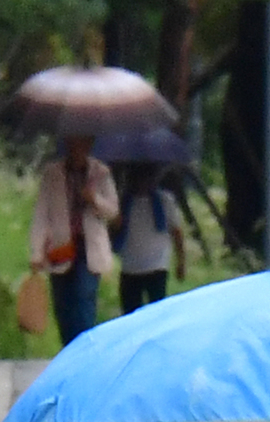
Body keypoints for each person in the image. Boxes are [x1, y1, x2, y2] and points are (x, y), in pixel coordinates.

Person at [29, 135, 120, 347]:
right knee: (63, 307)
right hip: (60, 249)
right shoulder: (53, 173)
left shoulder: (101, 173)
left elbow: (113, 211)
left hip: (88, 251)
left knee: (83, 302)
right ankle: (68, 353)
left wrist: (93, 198)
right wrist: (36, 251)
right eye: (73, 142)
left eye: (83, 143)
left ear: (89, 145)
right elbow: (42, 214)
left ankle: (84, 354)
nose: (77, 148)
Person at [114, 164, 186, 314]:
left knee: (157, 311)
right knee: (130, 312)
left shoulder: (164, 200)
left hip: (157, 265)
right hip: (130, 267)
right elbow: (114, 230)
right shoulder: (123, 202)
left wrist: (181, 261)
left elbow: (176, 232)